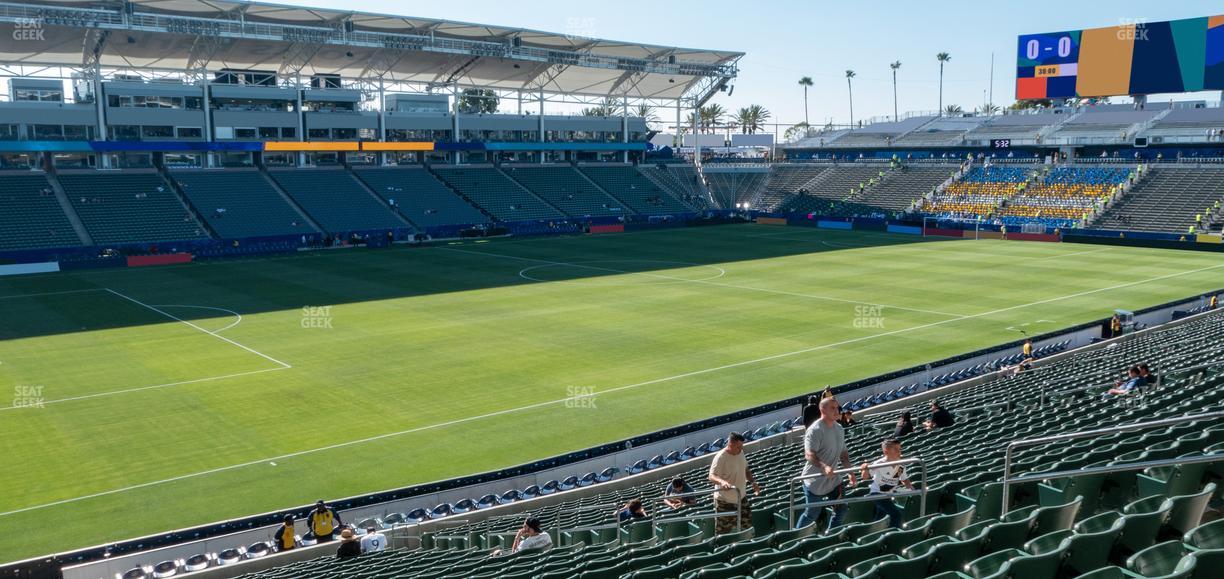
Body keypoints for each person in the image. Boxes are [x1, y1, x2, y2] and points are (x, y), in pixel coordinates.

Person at [796, 398, 856, 530]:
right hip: (814, 480)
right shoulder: (815, 430)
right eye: (832, 408)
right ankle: (794, 538)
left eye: (837, 407)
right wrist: (824, 466)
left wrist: (850, 473)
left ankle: (831, 536)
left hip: (833, 479)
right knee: (812, 515)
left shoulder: (839, 428)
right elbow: (809, 454)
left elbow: (844, 454)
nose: (837, 411)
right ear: (823, 410)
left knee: (842, 509)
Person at [708, 432, 760, 534]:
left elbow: (746, 469)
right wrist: (722, 482)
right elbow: (711, 476)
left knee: (747, 528)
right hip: (725, 502)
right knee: (722, 533)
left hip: (741, 498)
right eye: (738, 447)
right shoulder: (720, 457)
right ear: (730, 444)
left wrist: (753, 482)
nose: (741, 449)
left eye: (741, 446)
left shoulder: (740, 453)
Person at [859, 439, 914, 528]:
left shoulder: (900, 465)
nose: (899, 452)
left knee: (880, 518)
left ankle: (872, 533)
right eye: (895, 449)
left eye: (899, 449)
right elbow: (865, 477)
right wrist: (864, 468)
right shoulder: (879, 463)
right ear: (886, 452)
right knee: (896, 515)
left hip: (888, 495)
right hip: (877, 494)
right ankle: (893, 535)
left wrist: (911, 488)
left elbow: (904, 479)